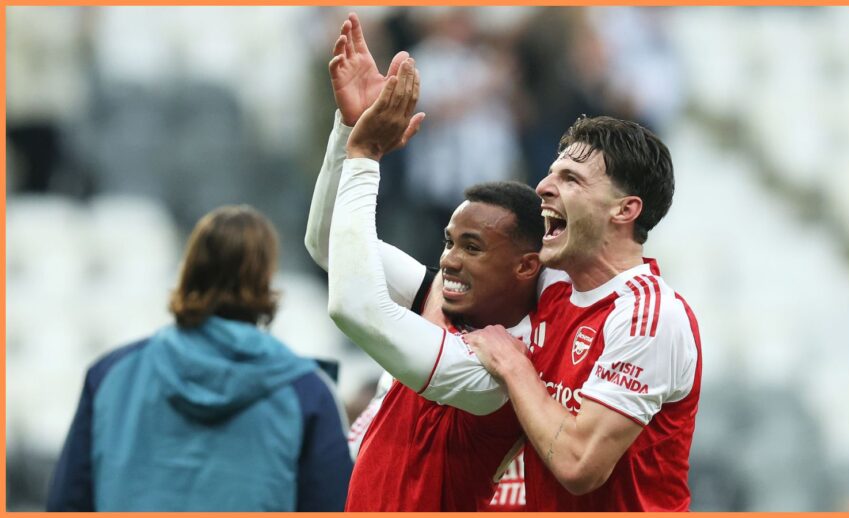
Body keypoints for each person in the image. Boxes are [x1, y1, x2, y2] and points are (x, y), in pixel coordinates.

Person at [327, 39, 701, 510]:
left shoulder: (649, 316)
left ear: (625, 210)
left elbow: (578, 464)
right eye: (552, 173)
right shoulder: (547, 282)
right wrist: (350, 134)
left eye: (572, 179)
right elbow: (337, 249)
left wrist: (513, 365)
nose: (544, 186)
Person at [305, 14, 539, 511]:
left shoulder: (500, 370)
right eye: (449, 242)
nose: (449, 260)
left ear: (525, 266)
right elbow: (330, 245)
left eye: (472, 247)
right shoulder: (438, 296)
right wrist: (348, 129)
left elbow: (356, 308)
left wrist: (367, 154)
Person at [46, 205, 353, 512]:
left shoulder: (110, 375)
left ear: (189, 269)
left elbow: (67, 504)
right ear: (267, 278)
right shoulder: (305, 392)